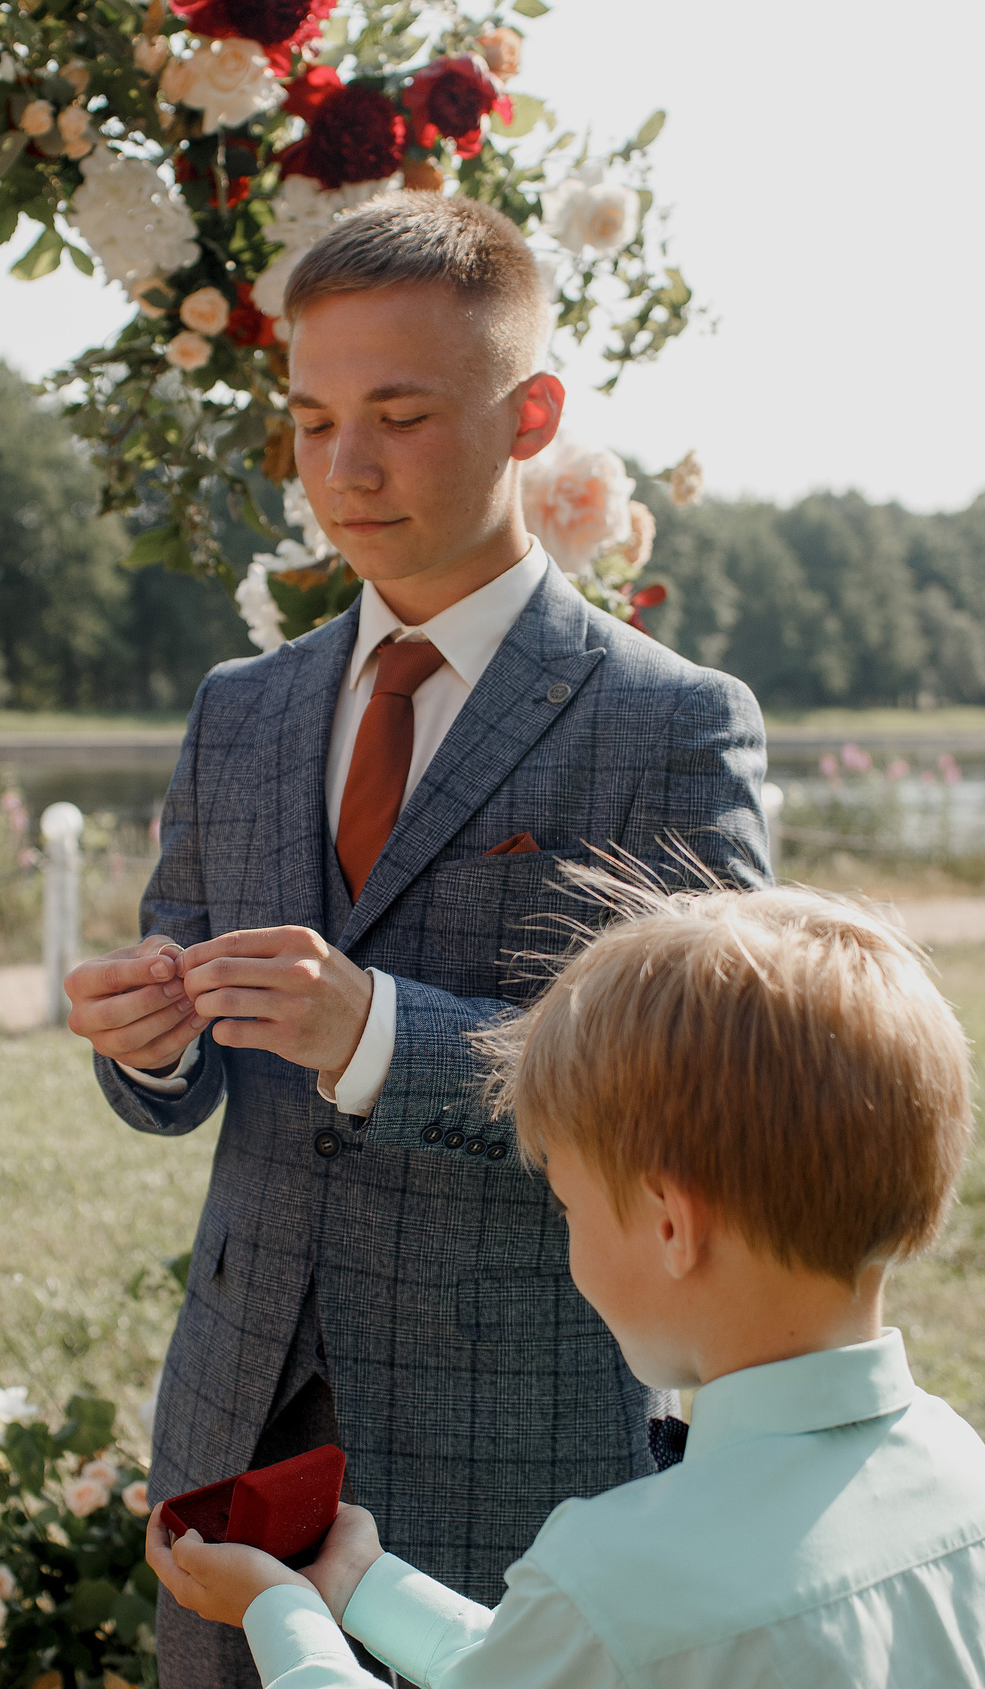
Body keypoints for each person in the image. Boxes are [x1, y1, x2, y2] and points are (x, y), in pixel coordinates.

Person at [62, 193, 771, 1688]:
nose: (347, 468)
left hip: (513, 1440)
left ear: (531, 414)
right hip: (233, 1414)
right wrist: (146, 1041)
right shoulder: (238, 711)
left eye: (398, 413)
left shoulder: (670, 722)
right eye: (314, 421)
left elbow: (698, 1104)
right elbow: (181, 1076)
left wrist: (380, 1032)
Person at [146, 878, 985, 1688]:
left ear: (671, 1226)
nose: (572, 1241)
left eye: (571, 1206)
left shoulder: (617, 1573)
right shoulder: (974, 1492)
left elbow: (604, 1641)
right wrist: (360, 1585)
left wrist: (282, 1612)